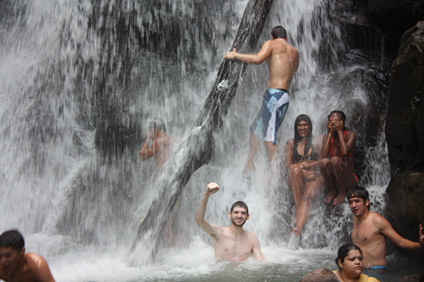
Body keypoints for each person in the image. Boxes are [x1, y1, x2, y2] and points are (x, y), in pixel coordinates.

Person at [224, 25, 299, 173]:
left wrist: (235, 55)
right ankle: (250, 166)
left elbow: (258, 59)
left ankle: (274, 174)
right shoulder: (294, 51)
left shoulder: (270, 44)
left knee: (269, 135)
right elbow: (294, 69)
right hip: (280, 95)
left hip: (275, 96)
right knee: (255, 129)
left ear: (271, 36)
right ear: (287, 38)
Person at [347, 186, 424, 268]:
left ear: (366, 202)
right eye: (350, 202)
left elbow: (400, 241)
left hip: (376, 270)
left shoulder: (377, 221)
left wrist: (420, 245)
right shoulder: (355, 219)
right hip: (361, 270)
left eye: (357, 201)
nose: (353, 205)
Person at [195, 182, 265, 261]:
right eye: (236, 212)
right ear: (229, 214)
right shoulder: (219, 233)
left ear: (247, 217)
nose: (239, 216)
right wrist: (206, 194)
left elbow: (261, 262)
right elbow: (199, 221)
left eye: (243, 213)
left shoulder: (252, 238)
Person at [285, 114, 323, 235]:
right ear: (296, 127)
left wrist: (306, 166)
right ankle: (298, 209)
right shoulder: (291, 143)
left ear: (310, 126)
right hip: (297, 175)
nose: (302, 128)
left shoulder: (318, 140)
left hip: (315, 174)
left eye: (305, 125)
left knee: (307, 198)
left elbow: (323, 161)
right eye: (300, 125)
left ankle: (299, 227)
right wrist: (302, 170)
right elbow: (288, 165)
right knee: (294, 171)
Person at [320, 110, 358, 205]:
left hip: (348, 178)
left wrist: (340, 131)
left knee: (335, 160)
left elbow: (345, 152)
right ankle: (332, 190)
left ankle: (342, 192)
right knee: (323, 162)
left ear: (342, 122)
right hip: (334, 178)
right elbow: (324, 155)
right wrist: (329, 133)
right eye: (330, 120)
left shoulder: (350, 135)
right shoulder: (326, 137)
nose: (333, 122)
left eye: (336, 120)